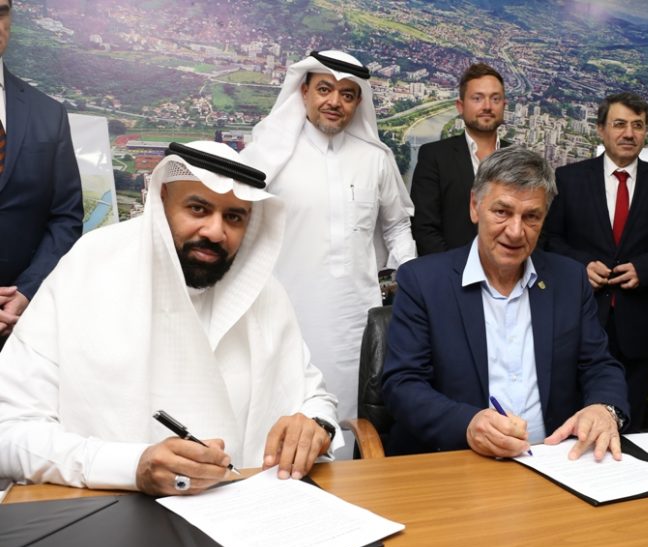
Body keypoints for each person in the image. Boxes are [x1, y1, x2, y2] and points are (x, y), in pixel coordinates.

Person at [0, 141, 343, 495]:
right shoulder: (88, 268)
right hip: (108, 509)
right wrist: (132, 467)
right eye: (198, 208)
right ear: (162, 199)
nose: (215, 232)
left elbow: (315, 399)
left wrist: (315, 426)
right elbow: (8, 431)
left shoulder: (263, 291)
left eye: (233, 217)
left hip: (249, 510)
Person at [382, 147, 629, 460]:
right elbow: (402, 385)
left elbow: (599, 365)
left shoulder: (569, 280)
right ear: (475, 206)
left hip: (554, 462)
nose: (515, 231)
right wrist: (467, 424)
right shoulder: (423, 282)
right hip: (457, 461)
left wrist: (604, 408)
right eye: (502, 212)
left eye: (531, 217)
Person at [241, 50, 416, 453]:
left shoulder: (376, 159)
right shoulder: (269, 157)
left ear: (358, 102)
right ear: (303, 91)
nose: (334, 101)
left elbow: (396, 225)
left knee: (348, 423)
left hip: (354, 321)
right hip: (284, 314)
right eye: (324, 89)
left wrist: (412, 279)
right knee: (283, 423)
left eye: (347, 94)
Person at [543, 92, 648, 431]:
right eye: (619, 124)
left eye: (638, 126)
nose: (629, 133)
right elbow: (548, 240)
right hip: (580, 322)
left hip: (637, 329)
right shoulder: (568, 179)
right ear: (601, 129)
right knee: (571, 423)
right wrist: (581, 266)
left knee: (630, 422)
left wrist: (646, 269)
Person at [0, 0, 82, 347]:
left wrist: (26, 292)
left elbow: (66, 218)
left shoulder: (48, 114)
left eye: (1, 11)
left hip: (22, 329)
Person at [410, 62, 510, 254]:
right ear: (460, 106)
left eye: (495, 99)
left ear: (504, 106)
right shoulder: (434, 156)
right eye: (477, 98)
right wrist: (452, 269)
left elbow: (535, 224)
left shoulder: (521, 159)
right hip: (449, 269)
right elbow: (424, 228)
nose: (487, 106)